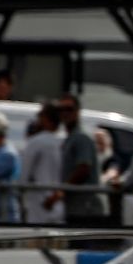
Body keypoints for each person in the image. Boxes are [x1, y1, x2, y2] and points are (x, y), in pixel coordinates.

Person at [55, 93, 107, 226]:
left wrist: (62, 190)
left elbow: (83, 168)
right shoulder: (70, 138)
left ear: (77, 112)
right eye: (61, 109)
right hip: (75, 208)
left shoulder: (81, 138)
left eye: (69, 109)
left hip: (86, 209)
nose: (65, 113)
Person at [21, 103, 64, 225]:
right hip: (58, 205)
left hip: (38, 206)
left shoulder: (35, 142)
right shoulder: (62, 142)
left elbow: (24, 177)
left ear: (45, 118)